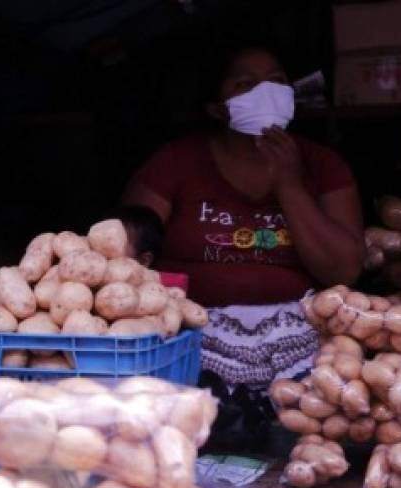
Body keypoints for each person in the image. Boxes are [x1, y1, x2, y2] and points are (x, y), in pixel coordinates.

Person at [123, 41, 364, 308]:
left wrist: (289, 184)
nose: (266, 92)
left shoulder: (322, 164)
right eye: (245, 84)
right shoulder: (175, 162)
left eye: (277, 80)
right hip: (189, 324)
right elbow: (124, 259)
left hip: (302, 327)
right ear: (216, 109)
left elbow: (344, 273)